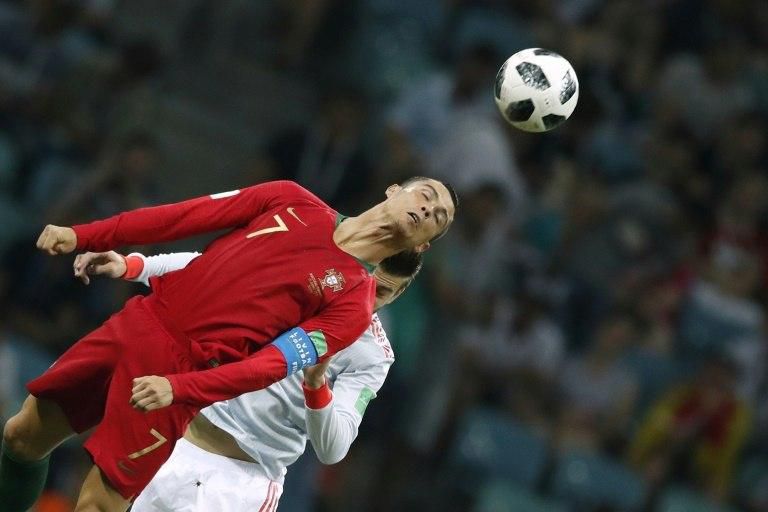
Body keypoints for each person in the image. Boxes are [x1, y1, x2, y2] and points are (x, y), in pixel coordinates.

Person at [0, 178, 457, 511]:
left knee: (96, 505)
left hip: (179, 371)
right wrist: (87, 235)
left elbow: (270, 367)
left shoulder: (352, 304)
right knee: (21, 437)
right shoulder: (291, 198)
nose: (428, 208)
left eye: (438, 216)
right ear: (392, 190)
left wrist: (181, 388)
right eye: (426, 194)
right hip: (139, 321)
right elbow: (184, 216)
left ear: (423, 246)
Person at [72, 246, 420, 511]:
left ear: (400, 294)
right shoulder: (307, 272)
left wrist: (316, 385)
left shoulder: (373, 353)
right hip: (173, 443)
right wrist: (135, 265)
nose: (365, 299)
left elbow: (333, 449)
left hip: (240, 485)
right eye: (367, 281)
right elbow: (213, 265)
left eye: (383, 293)